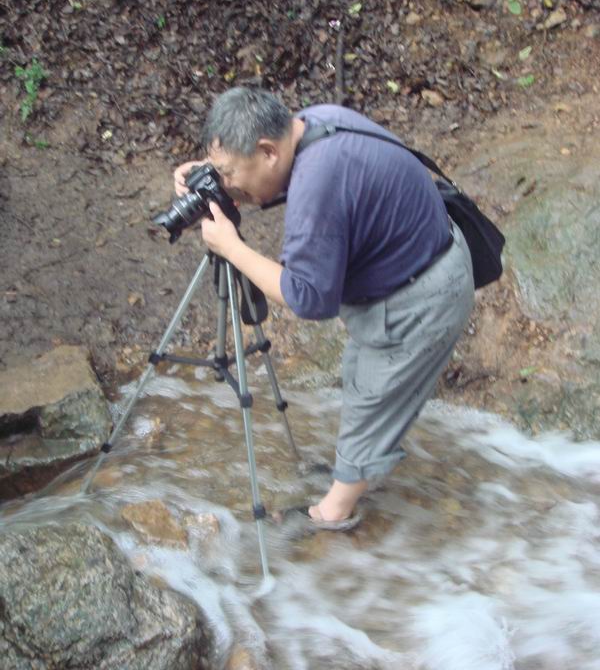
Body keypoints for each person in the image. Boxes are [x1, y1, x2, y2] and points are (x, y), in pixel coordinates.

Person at [173, 87, 474, 531]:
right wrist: (217, 178)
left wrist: (232, 249)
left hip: (422, 298)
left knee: (375, 395)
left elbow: (307, 298)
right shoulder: (314, 122)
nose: (228, 183)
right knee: (360, 378)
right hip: (426, 257)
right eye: (219, 172)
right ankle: (354, 472)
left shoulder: (317, 183)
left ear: (267, 151)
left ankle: (334, 513)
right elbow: (317, 191)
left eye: (230, 172)